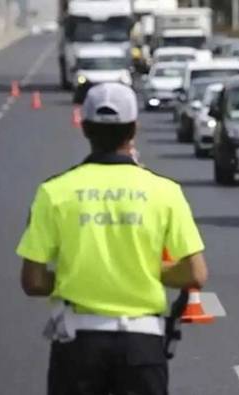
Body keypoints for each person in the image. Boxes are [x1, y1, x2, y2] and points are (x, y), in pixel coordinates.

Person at [17, 82, 209, 395]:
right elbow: (195, 273)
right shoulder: (165, 192)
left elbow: (33, 281)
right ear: (133, 129)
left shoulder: (54, 192)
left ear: (84, 127)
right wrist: (145, 271)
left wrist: (77, 276)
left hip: (78, 345)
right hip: (142, 346)